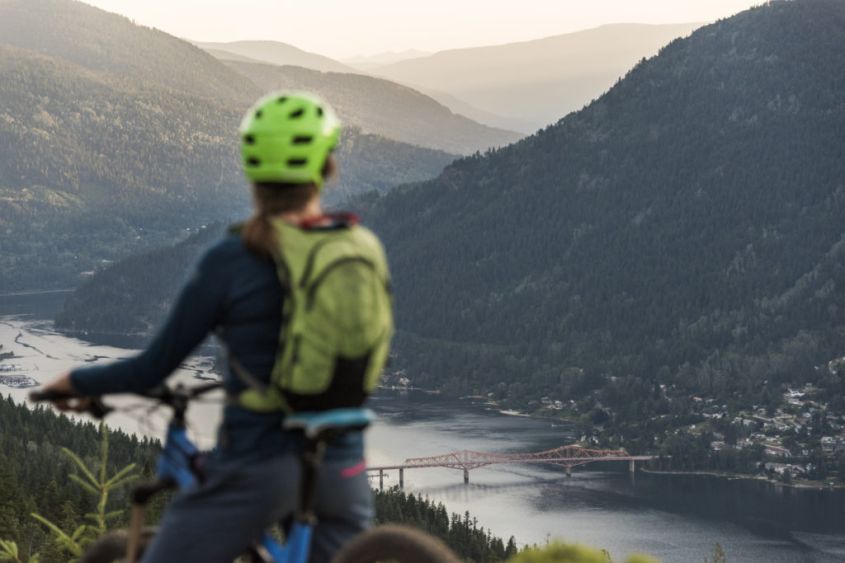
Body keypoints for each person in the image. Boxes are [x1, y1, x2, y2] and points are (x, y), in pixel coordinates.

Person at [40, 92, 388, 563]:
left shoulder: (233, 259)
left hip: (258, 466)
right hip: (341, 463)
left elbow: (154, 367)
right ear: (327, 168)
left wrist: (75, 381)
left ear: (252, 172)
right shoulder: (359, 245)